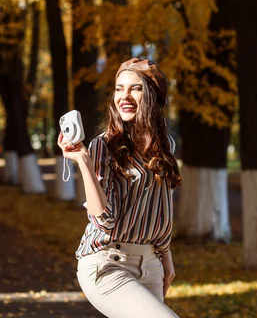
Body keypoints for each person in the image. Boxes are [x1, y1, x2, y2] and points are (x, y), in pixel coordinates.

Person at [57, 58, 181, 318]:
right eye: (118, 88)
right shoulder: (105, 145)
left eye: (135, 88)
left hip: (151, 264)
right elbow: (105, 220)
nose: (124, 96)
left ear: (152, 95)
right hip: (107, 263)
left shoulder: (165, 145)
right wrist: (83, 161)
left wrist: (165, 257)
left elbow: (161, 208)